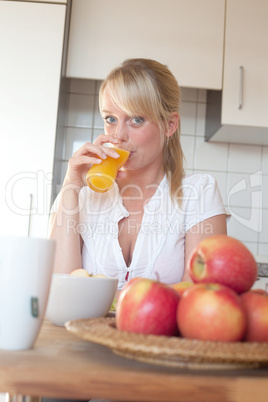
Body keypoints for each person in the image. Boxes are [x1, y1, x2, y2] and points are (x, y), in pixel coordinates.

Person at [49, 58, 228, 297]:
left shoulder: (199, 194)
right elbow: (61, 294)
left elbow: (197, 301)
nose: (119, 135)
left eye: (136, 119)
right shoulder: (80, 196)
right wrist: (71, 187)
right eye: (110, 119)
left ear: (169, 125)